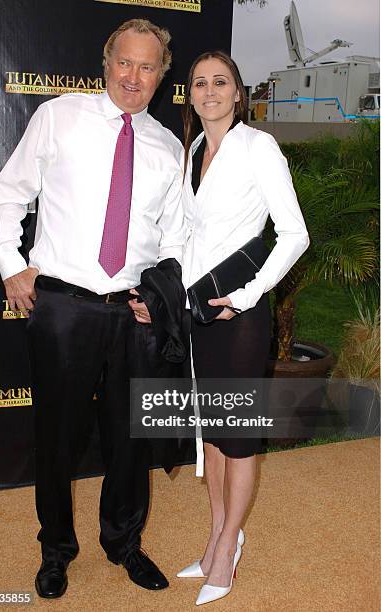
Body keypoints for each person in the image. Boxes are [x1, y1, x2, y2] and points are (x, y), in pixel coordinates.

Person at [0, 19, 185, 598]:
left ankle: (124, 543)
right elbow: (8, 194)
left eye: (148, 68)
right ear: (106, 62)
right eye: (126, 62)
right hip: (64, 308)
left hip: (132, 314)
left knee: (132, 439)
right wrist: (11, 265)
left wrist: (158, 293)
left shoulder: (168, 148)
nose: (134, 77)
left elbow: (171, 240)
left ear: (159, 78)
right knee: (57, 438)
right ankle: (56, 550)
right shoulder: (58, 116)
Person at [176, 51, 309, 606]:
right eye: (199, 83)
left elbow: (294, 233)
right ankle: (215, 538)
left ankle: (229, 544)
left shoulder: (258, 147)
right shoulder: (192, 152)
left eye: (220, 82)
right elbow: (188, 236)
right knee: (212, 434)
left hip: (241, 315)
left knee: (237, 436)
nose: (209, 91)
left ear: (238, 93)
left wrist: (249, 295)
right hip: (199, 312)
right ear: (190, 94)